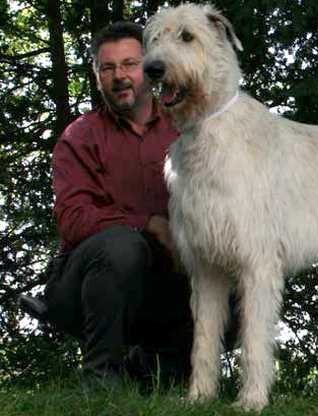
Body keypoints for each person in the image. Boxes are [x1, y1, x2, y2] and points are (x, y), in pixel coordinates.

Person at [42, 21, 196, 387]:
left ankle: (160, 370)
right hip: (86, 287)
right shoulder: (79, 137)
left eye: (129, 64)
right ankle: (101, 380)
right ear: (96, 77)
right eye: (107, 68)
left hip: (168, 285)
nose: (119, 76)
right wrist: (149, 224)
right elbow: (73, 219)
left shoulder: (188, 130)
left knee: (235, 262)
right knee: (122, 244)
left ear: (150, 67)